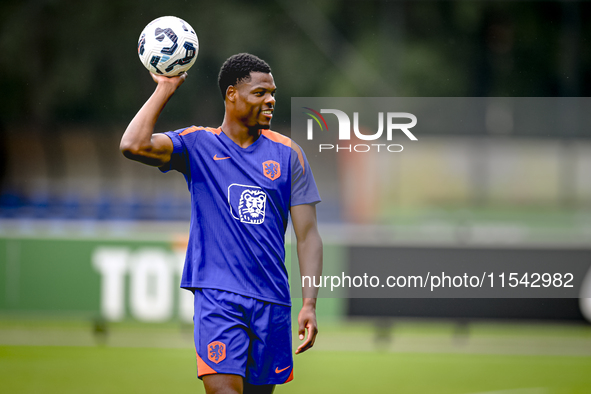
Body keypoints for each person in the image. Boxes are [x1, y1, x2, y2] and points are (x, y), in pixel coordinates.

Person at [120, 53, 323, 394]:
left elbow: (308, 236)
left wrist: (310, 303)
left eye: (273, 92)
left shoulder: (290, 154)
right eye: (260, 93)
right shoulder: (198, 144)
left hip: (272, 299)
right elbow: (133, 145)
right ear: (232, 94)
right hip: (218, 297)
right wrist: (165, 88)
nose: (271, 100)